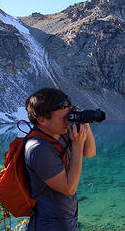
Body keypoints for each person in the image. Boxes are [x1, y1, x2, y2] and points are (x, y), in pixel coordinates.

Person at [24, 88, 96, 231]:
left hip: (66, 221)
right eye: (63, 118)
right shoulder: (38, 149)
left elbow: (90, 152)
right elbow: (68, 188)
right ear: (42, 120)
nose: (68, 122)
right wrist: (76, 145)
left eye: (69, 116)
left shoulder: (59, 133)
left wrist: (83, 122)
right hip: (49, 225)